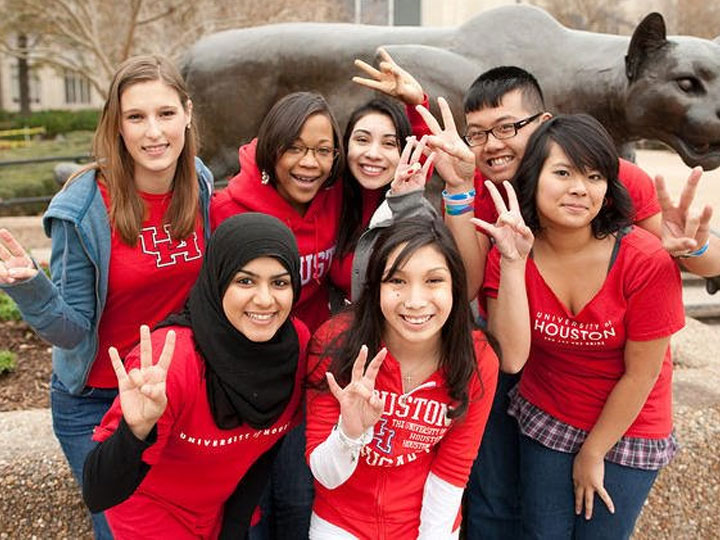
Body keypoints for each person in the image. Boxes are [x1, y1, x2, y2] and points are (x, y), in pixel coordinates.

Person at [405, 63, 717, 538]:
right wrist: (460, 191)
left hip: (621, 404)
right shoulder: (493, 201)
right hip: (537, 383)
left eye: (508, 127)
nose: (494, 144)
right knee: (507, 505)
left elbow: (701, 263)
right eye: (480, 134)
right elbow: (490, 321)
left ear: (543, 121)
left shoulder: (615, 193)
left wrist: (693, 248)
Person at [0, 54, 212, 539]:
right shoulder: (83, 208)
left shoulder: (196, 181)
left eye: (165, 114)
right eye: (136, 117)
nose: (153, 132)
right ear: (117, 126)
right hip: (96, 402)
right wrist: (30, 287)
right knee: (124, 530)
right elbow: (72, 330)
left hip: (175, 391)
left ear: (187, 113)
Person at [478, 114, 684, 539]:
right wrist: (514, 265)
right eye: (563, 173)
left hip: (629, 424)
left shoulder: (643, 258)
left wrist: (593, 452)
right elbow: (513, 358)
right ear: (533, 178)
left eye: (594, 176)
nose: (579, 188)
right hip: (550, 410)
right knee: (540, 533)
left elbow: (642, 372)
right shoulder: (512, 249)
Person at [82, 213, 310, 539]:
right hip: (150, 509)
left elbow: (261, 449)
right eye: (245, 281)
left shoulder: (295, 346)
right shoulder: (171, 361)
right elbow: (98, 492)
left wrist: (233, 529)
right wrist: (135, 431)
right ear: (218, 280)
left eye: (280, 282)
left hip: (219, 508)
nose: (264, 299)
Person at [305, 211, 499, 538]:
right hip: (341, 522)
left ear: (455, 286)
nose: (415, 301)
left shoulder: (477, 358)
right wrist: (349, 433)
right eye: (397, 281)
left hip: (427, 522)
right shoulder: (335, 343)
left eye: (434, 280)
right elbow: (326, 475)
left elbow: (453, 469)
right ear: (376, 286)